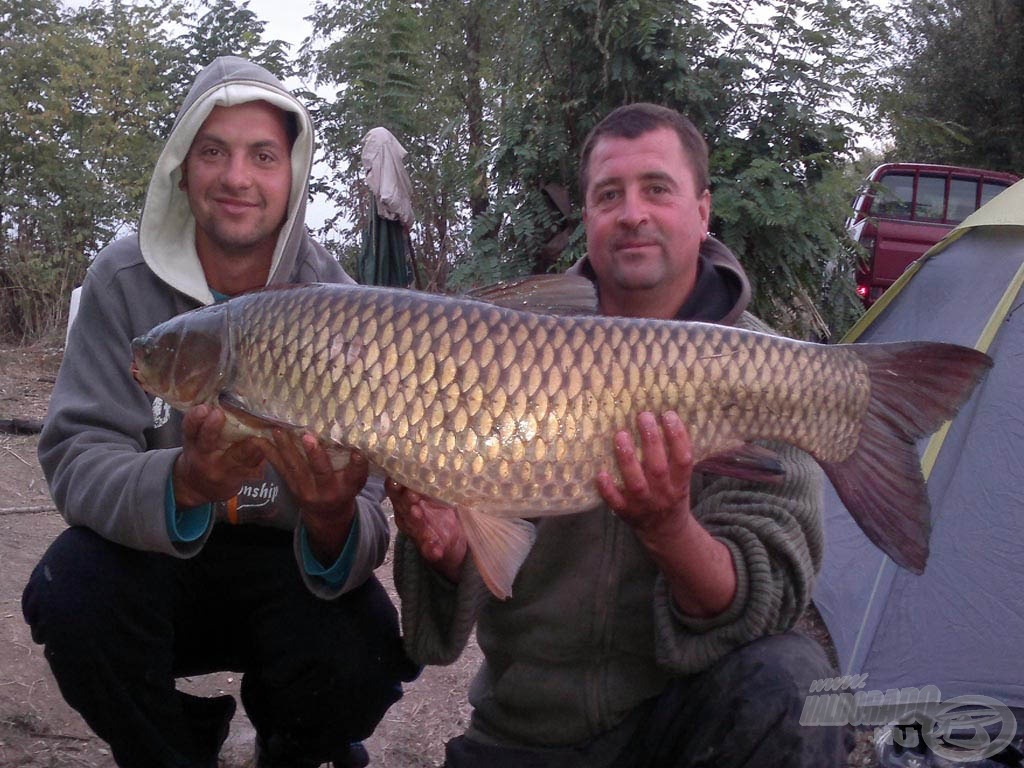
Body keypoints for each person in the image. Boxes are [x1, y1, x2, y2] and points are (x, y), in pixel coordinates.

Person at [388, 103, 849, 767]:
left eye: (656, 189)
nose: (632, 212)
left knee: (797, 686)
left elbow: (762, 605)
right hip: (527, 732)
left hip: (683, 727)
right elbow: (457, 598)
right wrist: (445, 548)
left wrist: (669, 527)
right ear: (588, 215)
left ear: (702, 209)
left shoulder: (769, 373)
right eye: (609, 195)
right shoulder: (495, 350)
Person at [22, 56, 418, 768]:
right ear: (182, 166)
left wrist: (330, 518)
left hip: (287, 565)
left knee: (366, 646)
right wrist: (185, 482)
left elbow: (369, 505)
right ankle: (175, 749)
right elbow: (76, 456)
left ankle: (292, 747)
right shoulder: (121, 280)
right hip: (155, 561)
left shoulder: (343, 301)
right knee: (67, 591)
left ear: (292, 176)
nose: (237, 177)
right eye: (214, 151)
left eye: (263, 156)